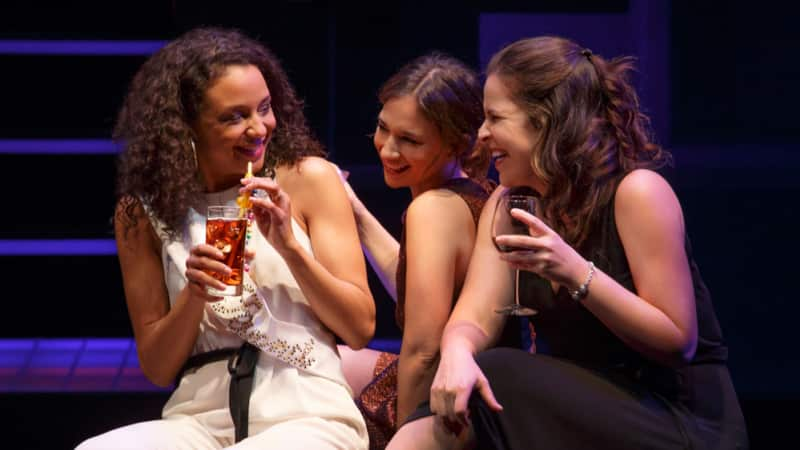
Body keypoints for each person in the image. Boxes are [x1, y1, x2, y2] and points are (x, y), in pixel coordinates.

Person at [388, 36, 748, 449]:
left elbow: (677, 340)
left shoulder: (637, 194)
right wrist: (456, 350)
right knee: (470, 385)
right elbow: (476, 316)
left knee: (501, 373)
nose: (482, 135)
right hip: (579, 405)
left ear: (547, 121)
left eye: (495, 118)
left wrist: (575, 271)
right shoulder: (510, 206)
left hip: (675, 417)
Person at [77, 27, 374, 449]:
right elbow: (159, 369)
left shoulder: (309, 179)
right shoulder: (143, 213)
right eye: (235, 117)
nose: (259, 128)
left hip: (306, 410)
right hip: (198, 417)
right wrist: (194, 293)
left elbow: (360, 327)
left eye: (265, 108)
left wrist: (290, 247)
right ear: (186, 129)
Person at [335, 53, 522, 449]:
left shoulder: (432, 210)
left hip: (455, 402)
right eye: (383, 129)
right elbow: (413, 283)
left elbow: (423, 352)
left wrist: (408, 435)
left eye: (410, 141)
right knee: (314, 362)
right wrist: (352, 208)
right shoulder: (473, 192)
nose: (387, 150)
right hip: (484, 387)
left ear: (456, 144)